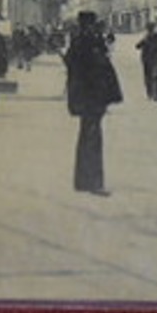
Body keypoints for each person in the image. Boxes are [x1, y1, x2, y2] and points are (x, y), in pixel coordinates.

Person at [63, 11, 124, 195]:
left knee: (86, 137)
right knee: (92, 139)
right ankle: (94, 183)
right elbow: (98, 71)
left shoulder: (79, 41)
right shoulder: (88, 43)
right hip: (91, 98)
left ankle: (82, 181)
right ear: (89, 25)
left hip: (85, 97)